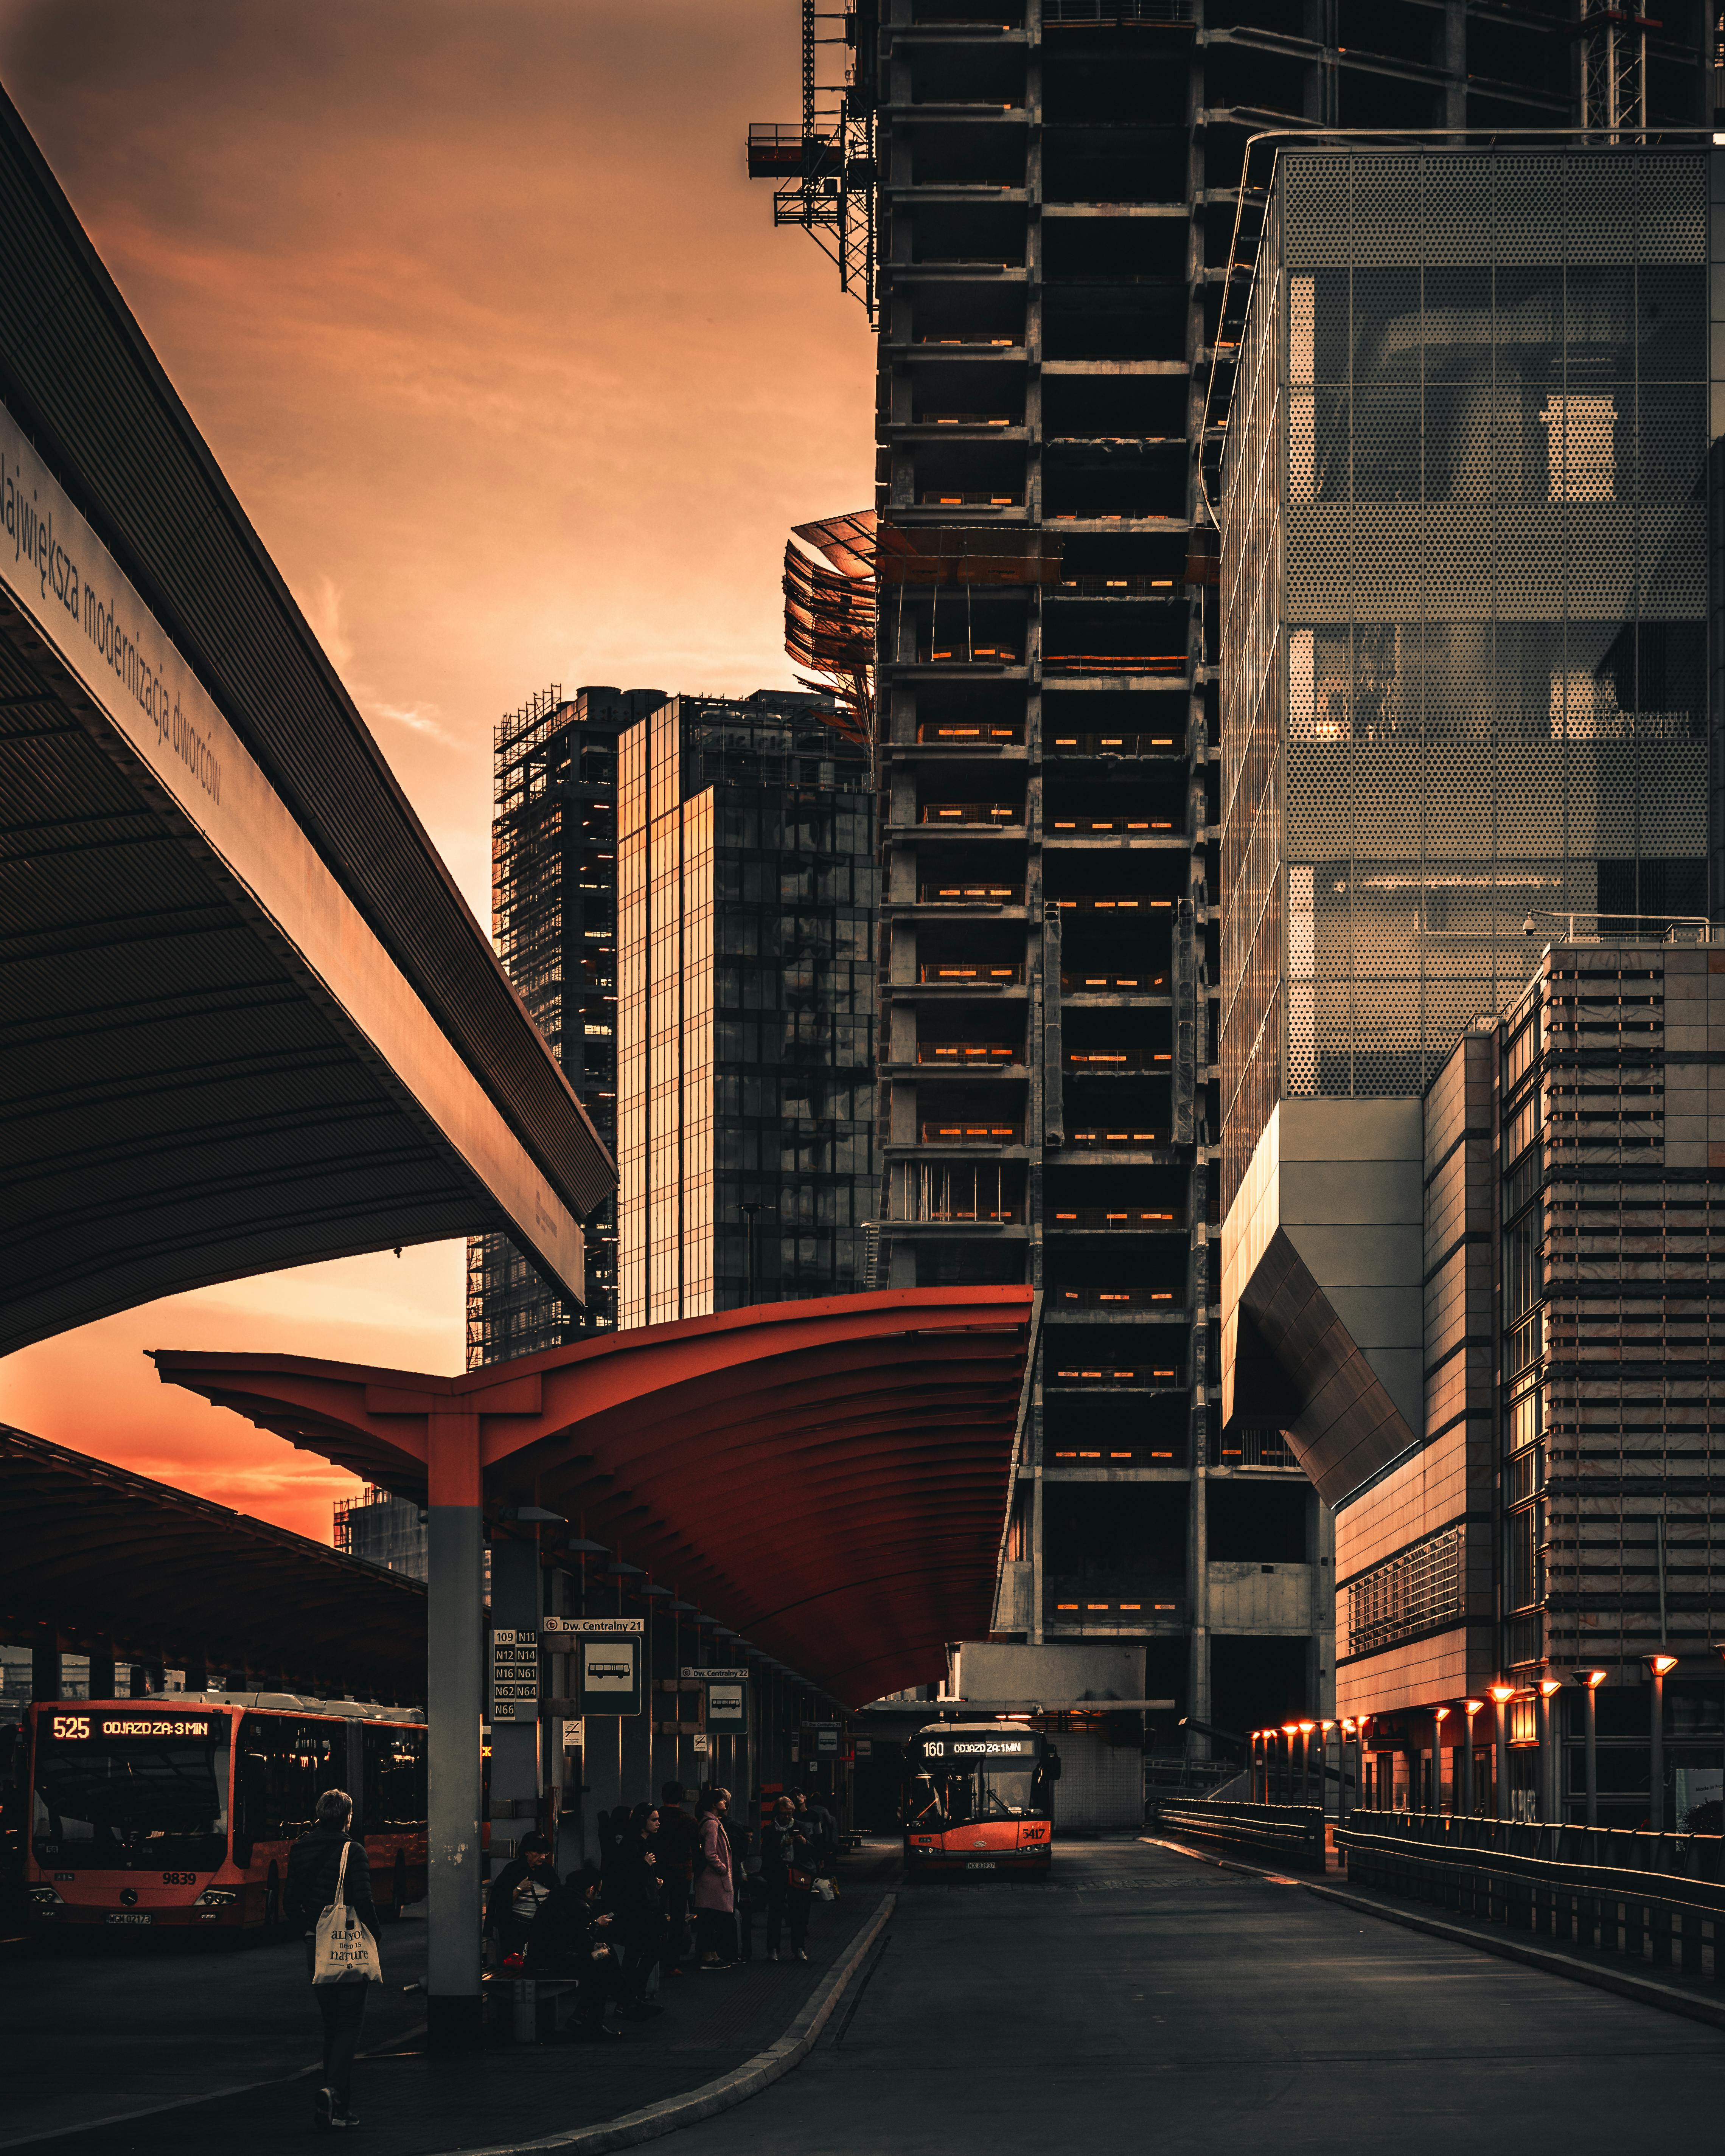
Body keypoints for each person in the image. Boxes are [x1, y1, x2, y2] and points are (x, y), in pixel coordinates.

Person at [284, 1786, 378, 2134]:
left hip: (316, 1946)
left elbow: (290, 1902)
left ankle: (337, 2109)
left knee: (331, 2026)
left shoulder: (300, 1848)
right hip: (348, 1947)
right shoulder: (353, 1851)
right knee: (350, 2025)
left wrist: (311, 1928)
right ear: (348, 1817)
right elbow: (365, 1903)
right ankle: (334, 2094)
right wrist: (376, 1936)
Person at [525, 1865, 624, 2042]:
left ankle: (585, 2015)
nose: (597, 1896)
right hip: (555, 1962)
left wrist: (594, 1943)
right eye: (598, 1892)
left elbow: (572, 1937)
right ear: (591, 1890)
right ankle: (598, 2017)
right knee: (603, 1961)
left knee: (604, 1954)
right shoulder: (580, 1906)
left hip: (543, 1958)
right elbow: (582, 1941)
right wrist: (597, 1925)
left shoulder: (558, 1899)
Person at [606, 1801, 667, 2016]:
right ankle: (631, 1997)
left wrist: (652, 1879)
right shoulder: (634, 1846)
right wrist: (645, 1868)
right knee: (645, 1951)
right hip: (639, 1910)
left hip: (640, 1909)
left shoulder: (636, 1844)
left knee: (638, 1952)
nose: (658, 1823)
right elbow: (626, 1877)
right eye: (654, 1819)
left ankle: (630, 1999)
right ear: (642, 1822)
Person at [485, 1830, 556, 1965]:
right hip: (516, 1929)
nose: (542, 1857)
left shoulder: (547, 1871)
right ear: (527, 1852)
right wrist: (519, 1889)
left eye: (544, 1853)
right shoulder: (513, 1870)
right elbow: (502, 1903)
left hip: (541, 1928)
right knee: (515, 1962)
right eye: (538, 1852)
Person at [759, 1794, 815, 1963]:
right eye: (784, 1814)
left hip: (797, 1873)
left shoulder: (800, 1828)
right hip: (778, 1874)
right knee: (775, 1912)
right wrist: (780, 1846)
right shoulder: (770, 1830)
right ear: (778, 1813)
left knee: (798, 1913)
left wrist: (805, 1843)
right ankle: (773, 1950)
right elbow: (765, 1854)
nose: (787, 1817)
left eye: (790, 1814)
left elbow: (813, 1851)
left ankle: (799, 1948)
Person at [656, 1782, 698, 1975]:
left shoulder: (656, 1818)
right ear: (681, 1797)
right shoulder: (689, 1821)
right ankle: (672, 1963)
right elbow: (696, 1847)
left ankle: (654, 1957)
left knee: (656, 1913)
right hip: (682, 1873)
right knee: (678, 1916)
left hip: (658, 1872)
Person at [691, 1787, 735, 1971]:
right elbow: (710, 1853)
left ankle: (712, 1954)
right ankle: (708, 1957)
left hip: (710, 1880)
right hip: (714, 1881)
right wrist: (722, 1868)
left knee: (711, 1918)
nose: (725, 1803)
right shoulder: (712, 1824)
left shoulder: (710, 1822)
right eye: (721, 1801)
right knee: (712, 1919)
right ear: (714, 1804)